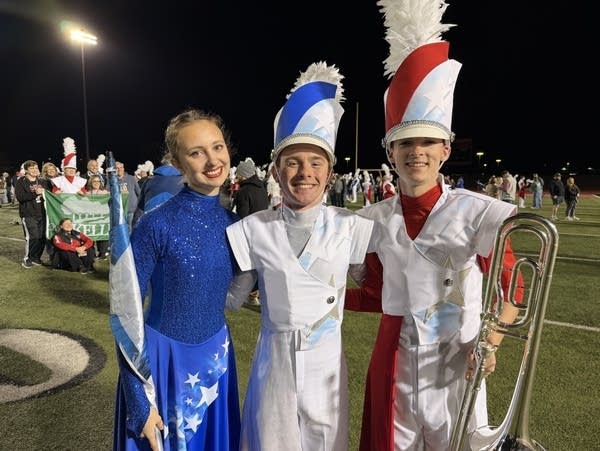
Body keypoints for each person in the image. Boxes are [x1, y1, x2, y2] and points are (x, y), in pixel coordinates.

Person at [344, 2, 523, 449]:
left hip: (457, 364)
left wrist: (493, 340)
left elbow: (513, 289)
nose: (416, 152)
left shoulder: (476, 211)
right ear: (391, 152)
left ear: (445, 150)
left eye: (427, 142)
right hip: (395, 366)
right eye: (405, 142)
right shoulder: (373, 218)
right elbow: (371, 296)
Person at [226, 61, 374, 451]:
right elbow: (230, 298)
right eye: (292, 162)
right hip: (273, 364)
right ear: (275, 171)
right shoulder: (253, 228)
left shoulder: (350, 225)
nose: (303, 172)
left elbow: (379, 291)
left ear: (329, 172)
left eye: (315, 163)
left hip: (328, 367)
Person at [112, 108, 241, 451]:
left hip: (216, 358)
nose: (212, 160)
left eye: (217, 147)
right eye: (196, 152)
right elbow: (125, 313)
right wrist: (139, 401)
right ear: (178, 163)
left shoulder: (236, 225)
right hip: (161, 365)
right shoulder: (156, 224)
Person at [231, 157, 270, 306]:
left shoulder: (244, 191)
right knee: (257, 264)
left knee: (244, 264)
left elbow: (243, 217)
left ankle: (247, 292)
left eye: (239, 174)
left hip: (248, 232)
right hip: (262, 230)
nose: (237, 177)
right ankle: (256, 293)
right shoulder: (261, 188)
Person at [132, 153, 184, 226]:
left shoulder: (148, 182)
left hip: (151, 228)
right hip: (176, 228)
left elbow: (139, 212)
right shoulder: (185, 183)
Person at [14, 160, 46, 268]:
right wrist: (34, 193)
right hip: (28, 214)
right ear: (26, 170)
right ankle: (27, 258)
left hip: (42, 213)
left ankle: (36, 257)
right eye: (32, 168)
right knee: (33, 237)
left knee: (42, 237)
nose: (35, 170)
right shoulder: (21, 181)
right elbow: (21, 197)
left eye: (36, 168)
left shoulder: (42, 181)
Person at [85, 175, 110, 259]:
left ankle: (102, 253)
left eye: (98, 181)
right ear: (90, 182)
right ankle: (91, 254)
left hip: (102, 217)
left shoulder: (105, 193)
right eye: (94, 181)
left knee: (102, 234)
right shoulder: (87, 193)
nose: (96, 183)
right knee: (91, 235)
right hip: (90, 218)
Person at [115, 160, 141, 231]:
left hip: (131, 208)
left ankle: (129, 242)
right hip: (119, 209)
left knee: (129, 228)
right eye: (117, 168)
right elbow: (108, 192)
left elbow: (139, 192)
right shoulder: (112, 180)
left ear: (123, 168)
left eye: (121, 167)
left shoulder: (131, 178)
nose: (119, 169)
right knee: (121, 228)